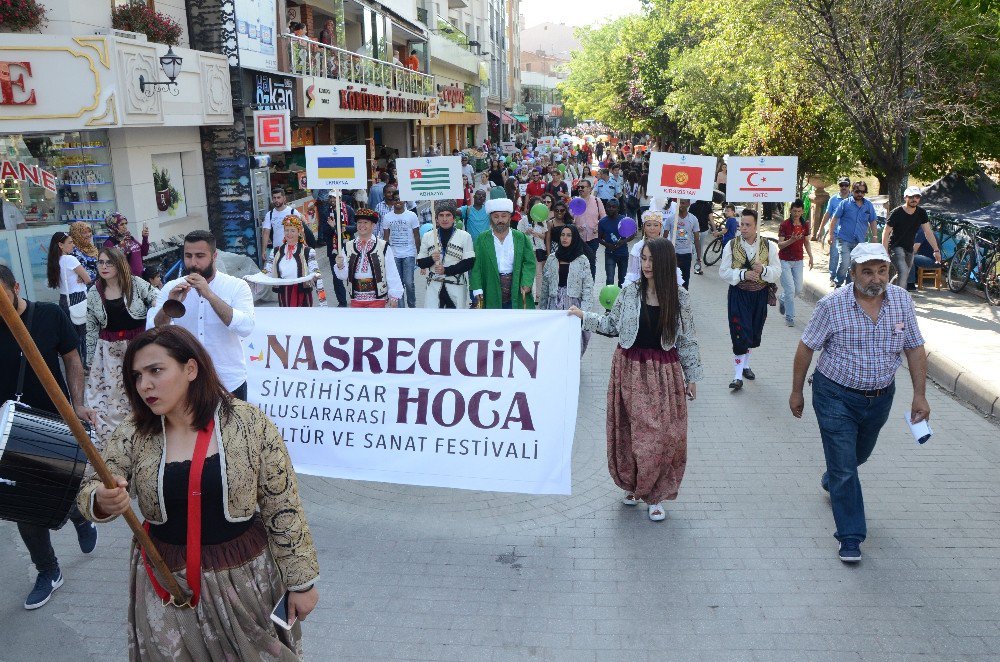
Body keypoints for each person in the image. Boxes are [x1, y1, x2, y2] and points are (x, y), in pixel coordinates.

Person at [77, 325, 320, 657]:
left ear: (190, 369)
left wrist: (301, 583)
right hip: (165, 581)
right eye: (137, 376)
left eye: (155, 371)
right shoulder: (134, 431)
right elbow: (92, 484)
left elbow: (283, 506)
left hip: (244, 579)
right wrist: (101, 501)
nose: (144, 384)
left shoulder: (248, 423)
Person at [790, 243, 929, 563]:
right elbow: (805, 348)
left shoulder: (902, 302)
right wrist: (796, 392)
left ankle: (833, 478)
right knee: (844, 464)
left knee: (856, 456)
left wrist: (919, 394)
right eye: (867, 271)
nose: (876, 278)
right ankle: (850, 536)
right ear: (852, 274)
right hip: (834, 395)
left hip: (880, 398)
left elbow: (915, 348)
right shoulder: (831, 306)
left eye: (881, 270)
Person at [569, 238, 702, 522]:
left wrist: (692, 376)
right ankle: (633, 486)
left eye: (652, 260)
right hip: (628, 368)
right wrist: (584, 317)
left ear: (665, 262)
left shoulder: (680, 297)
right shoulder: (629, 292)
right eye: (643, 259)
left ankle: (656, 494)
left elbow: (687, 339)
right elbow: (611, 325)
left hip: (663, 372)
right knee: (629, 431)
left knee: (661, 435)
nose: (646, 265)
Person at [0, 265, 98, 610]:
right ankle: (48, 571)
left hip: (52, 422)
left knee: (57, 488)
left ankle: (79, 516)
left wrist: (78, 404)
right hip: (9, 430)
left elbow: (72, 358)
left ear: (14, 288)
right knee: (22, 506)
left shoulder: (49, 315)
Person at [149, 230, 255, 400]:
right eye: (188, 256)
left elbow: (246, 327)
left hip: (229, 382)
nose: (193, 263)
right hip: (186, 383)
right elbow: (154, 331)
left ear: (214, 256)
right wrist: (169, 306)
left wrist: (209, 295)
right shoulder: (171, 287)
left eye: (200, 256)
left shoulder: (236, 286)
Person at [85, 247, 159, 442]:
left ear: (119, 264)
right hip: (109, 349)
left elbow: (157, 298)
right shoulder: (95, 291)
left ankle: (150, 429)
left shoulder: (135, 284)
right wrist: (90, 359)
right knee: (114, 394)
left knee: (142, 387)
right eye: (100, 262)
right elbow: (91, 326)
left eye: (109, 262)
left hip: (137, 345)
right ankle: (120, 438)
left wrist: (156, 312)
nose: (104, 266)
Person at [718, 208, 781, 390]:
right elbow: (723, 271)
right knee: (739, 330)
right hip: (739, 294)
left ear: (756, 226)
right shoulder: (731, 244)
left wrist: (764, 271)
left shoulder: (769, 246)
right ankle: (737, 376)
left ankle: (746, 365)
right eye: (741, 225)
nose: (743, 228)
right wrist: (743, 274)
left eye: (747, 225)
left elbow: (777, 271)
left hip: (759, 294)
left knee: (752, 331)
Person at [469, 198, 536, 309]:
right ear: (490, 218)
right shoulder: (482, 239)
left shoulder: (520, 237)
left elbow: (529, 262)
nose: (500, 220)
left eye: (504, 216)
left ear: (510, 217)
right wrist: (477, 288)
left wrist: (526, 282)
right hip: (490, 285)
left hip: (516, 286)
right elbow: (476, 266)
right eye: (496, 216)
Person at [540, 224, 594, 354]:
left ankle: (572, 365)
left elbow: (588, 286)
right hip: (554, 304)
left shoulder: (582, 260)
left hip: (573, 305)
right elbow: (545, 285)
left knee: (573, 337)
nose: (565, 238)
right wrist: (541, 310)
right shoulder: (552, 258)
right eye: (562, 235)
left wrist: (585, 311)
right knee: (555, 336)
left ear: (574, 238)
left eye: (569, 235)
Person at [334, 207, 403, 308]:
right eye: (359, 222)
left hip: (377, 298)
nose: (362, 225)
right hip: (356, 298)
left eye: (365, 222)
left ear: (373, 225)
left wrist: (394, 296)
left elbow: (392, 271)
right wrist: (340, 266)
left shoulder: (383, 246)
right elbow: (344, 276)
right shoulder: (348, 247)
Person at [415, 203, 476, 308]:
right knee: (433, 319)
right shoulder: (428, 236)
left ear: (453, 218)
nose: (444, 219)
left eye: (448, 215)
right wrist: (431, 259)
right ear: (436, 219)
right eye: (441, 215)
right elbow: (420, 262)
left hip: (456, 285)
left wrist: (446, 270)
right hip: (434, 285)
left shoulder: (465, 236)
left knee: (455, 320)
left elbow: (469, 263)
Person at [882, 185, 941, 289]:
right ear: (905, 198)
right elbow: (885, 233)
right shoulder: (896, 212)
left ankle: (889, 291)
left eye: (917, 197)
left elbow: (928, 232)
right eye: (911, 197)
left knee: (903, 274)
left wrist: (936, 250)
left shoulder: (921, 213)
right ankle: (899, 300)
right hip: (895, 247)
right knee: (903, 272)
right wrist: (884, 251)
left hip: (909, 248)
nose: (914, 199)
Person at [48, 231, 92, 366]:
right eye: (70, 242)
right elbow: (88, 278)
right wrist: (82, 278)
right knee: (84, 333)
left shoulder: (54, 261)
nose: (73, 245)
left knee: (72, 335)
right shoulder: (70, 259)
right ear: (60, 245)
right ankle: (87, 363)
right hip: (78, 297)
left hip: (64, 299)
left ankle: (76, 363)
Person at [264, 214, 325, 308]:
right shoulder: (276, 251)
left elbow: (316, 274)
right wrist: (252, 279)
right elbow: (267, 272)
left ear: (299, 232)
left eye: (293, 230)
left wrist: (322, 301)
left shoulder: (308, 251)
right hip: (284, 293)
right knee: (286, 321)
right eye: (287, 230)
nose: (289, 234)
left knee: (304, 321)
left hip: (302, 294)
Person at [829, 180, 878, 287]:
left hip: (860, 241)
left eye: (862, 192)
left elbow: (873, 220)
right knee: (844, 263)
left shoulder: (868, 205)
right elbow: (834, 218)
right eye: (857, 191)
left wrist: (874, 236)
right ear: (853, 191)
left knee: (854, 266)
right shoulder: (845, 204)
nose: (860, 194)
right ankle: (838, 283)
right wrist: (830, 234)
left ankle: (849, 287)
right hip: (844, 239)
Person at [777, 200, 815, 327]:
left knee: (798, 290)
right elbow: (780, 245)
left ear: (802, 211)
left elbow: (806, 242)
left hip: (798, 260)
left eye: (799, 211)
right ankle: (790, 317)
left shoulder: (805, 225)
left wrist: (811, 256)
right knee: (790, 289)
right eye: (794, 211)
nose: (797, 213)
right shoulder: (784, 225)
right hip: (784, 260)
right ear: (790, 211)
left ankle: (782, 299)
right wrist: (791, 240)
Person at [381, 194, 420, 308]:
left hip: (409, 253)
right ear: (392, 202)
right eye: (395, 199)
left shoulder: (412, 216)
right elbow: (386, 238)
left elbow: (416, 236)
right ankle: (401, 310)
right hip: (394, 254)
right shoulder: (387, 217)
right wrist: (384, 255)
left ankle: (412, 306)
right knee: (398, 284)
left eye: (400, 199)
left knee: (409, 282)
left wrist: (420, 254)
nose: (398, 201)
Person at [665, 198, 702, 289]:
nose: (681, 205)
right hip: (673, 253)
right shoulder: (671, 219)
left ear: (688, 203)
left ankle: (684, 299)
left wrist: (698, 257)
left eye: (683, 203)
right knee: (672, 279)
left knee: (685, 279)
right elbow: (664, 238)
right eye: (679, 203)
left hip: (686, 254)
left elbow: (697, 240)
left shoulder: (693, 219)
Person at [574, 179, 606, 277]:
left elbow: (603, 217)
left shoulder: (597, 200)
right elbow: (569, 218)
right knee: (578, 263)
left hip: (593, 237)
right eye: (578, 187)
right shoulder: (574, 201)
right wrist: (575, 226)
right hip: (578, 238)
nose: (580, 189)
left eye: (582, 187)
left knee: (591, 261)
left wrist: (598, 226)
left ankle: (590, 285)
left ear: (590, 189)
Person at [597, 198, 630, 286]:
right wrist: (607, 245)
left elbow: (632, 234)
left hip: (623, 253)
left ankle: (621, 299)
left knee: (622, 279)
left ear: (618, 208)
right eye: (609, 207)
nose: (611, 209)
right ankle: (610, 299)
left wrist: (623, 242)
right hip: (610, 254)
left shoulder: (624, 220)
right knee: (610, 279)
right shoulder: (602, 222)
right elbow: (598, 238)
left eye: (613, 207)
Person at [261, 188, 301, 257]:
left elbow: (301, 231)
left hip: (293, 250)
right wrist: (264, 250)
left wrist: (303, 248)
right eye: (274, 198)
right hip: (277, 251)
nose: (276, 200)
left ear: (284, 198)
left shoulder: (293, 212)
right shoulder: (269, 215)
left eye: (279, 197)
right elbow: (266, 233)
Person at [815, 176, 851, 244]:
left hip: (849, 235)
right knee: (834, 254)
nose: (844, 187)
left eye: (846, 185)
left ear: (849, 186)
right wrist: (820, 229)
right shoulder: (833, 199)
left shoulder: (854, 199)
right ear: (839, 186)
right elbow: (827, 214)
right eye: (841, 185)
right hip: (835, 234)